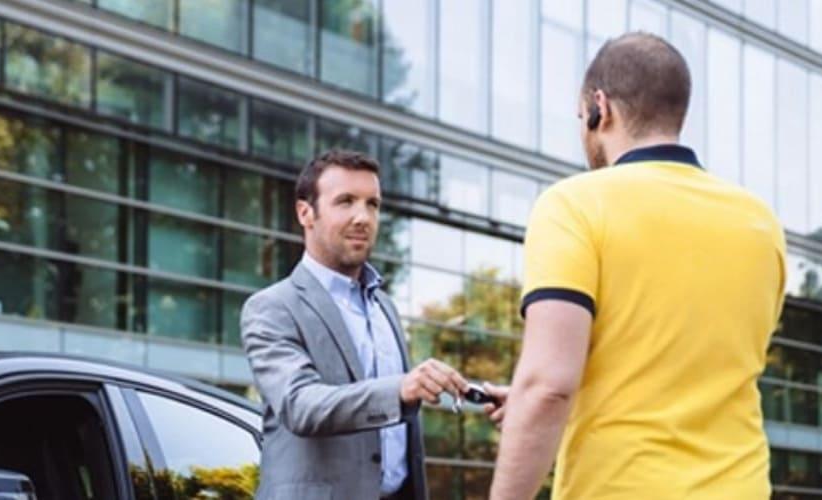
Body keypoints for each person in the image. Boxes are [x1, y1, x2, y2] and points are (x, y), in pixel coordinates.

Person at [486, 32, 787, 499]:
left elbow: (547, 385)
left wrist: (536, 404)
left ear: (599, 108)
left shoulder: (574, 204)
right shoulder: (760, 222)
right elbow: (683, 360)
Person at [242, 150, 469, 500]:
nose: (363, 217)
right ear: (306, 213)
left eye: (373, 204)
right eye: (345, 202)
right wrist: (400, 390)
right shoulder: (272, 308)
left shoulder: (385, 308)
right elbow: (301, 405)